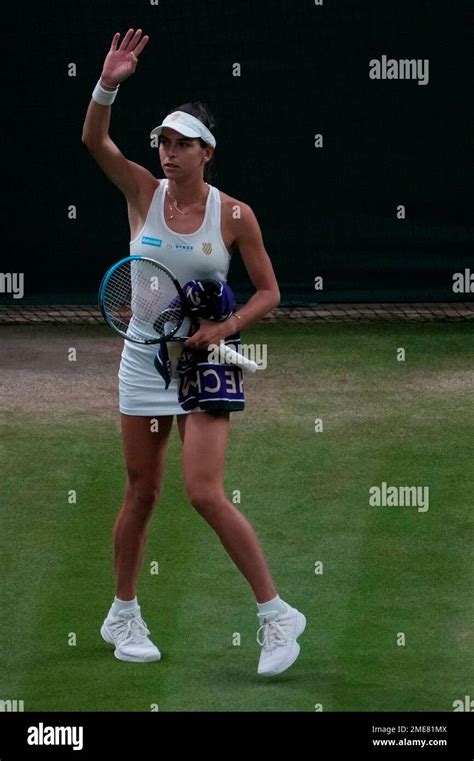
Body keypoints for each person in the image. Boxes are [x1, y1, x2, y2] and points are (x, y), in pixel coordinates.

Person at [81, 28, 306, 677]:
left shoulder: (235, 215)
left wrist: (224, 328)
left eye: (180, 142)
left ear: (207, 151)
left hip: (206, 364)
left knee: (204, 491)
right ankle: (122, 613)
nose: (167, 150)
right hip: (142, 361)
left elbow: (270, 293)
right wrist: (108, 84)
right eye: (163, 141)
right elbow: (95, 141)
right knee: (141, 491)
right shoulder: (142, 193)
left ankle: (276, 615)